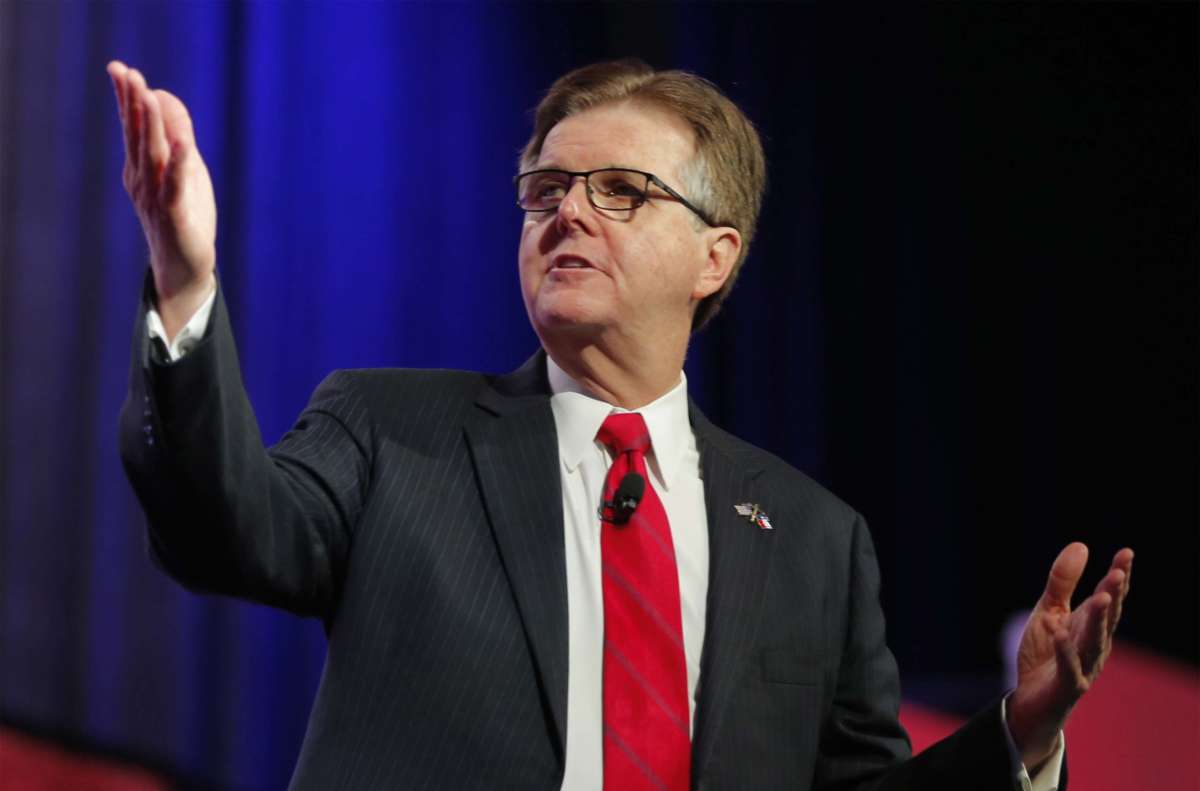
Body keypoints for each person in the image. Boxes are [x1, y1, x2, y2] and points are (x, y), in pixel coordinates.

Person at [107, 57, 1133, 791]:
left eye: (621, 191)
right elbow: (222, 527)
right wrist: (185, 282)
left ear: (715, 257)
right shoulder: (389, 428)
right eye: (545, 188)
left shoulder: (817, 539)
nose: (567, 211)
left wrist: (1020, 733)